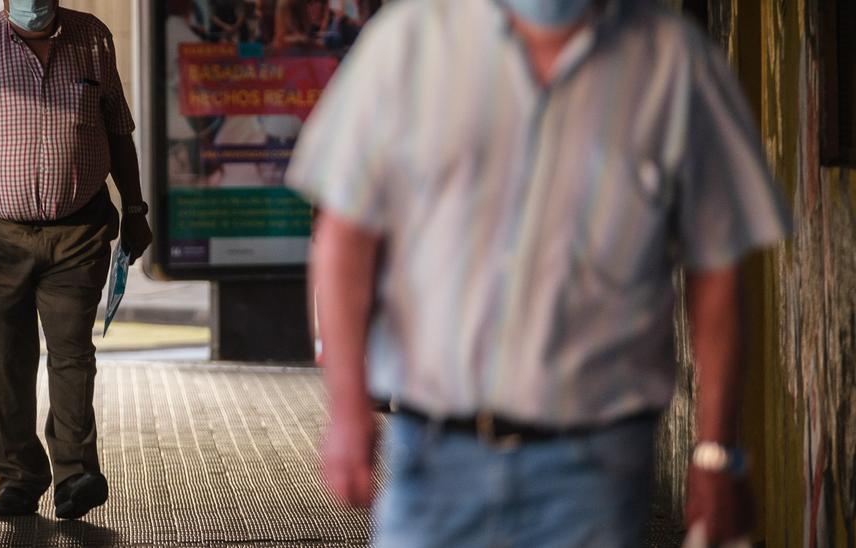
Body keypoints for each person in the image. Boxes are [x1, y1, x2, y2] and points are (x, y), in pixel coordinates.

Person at [286, 0, 790, 546]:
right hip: (431, 463)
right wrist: (346, 406)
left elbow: (716, 267)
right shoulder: (407, 46)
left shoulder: (673, 64)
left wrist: (715, 449)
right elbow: (344, 239)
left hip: (595, 471)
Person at [0, 0, 152, 520]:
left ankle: (75, 473)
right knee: (0, 358)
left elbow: (118, 131)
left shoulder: (93, 38)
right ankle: (18, 476)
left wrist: (134, 208)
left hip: (78, 230)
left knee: (71, 354)